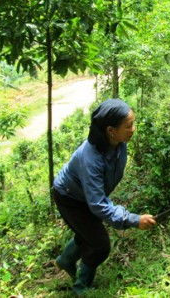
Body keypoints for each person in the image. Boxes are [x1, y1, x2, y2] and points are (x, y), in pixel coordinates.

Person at [52, 98, 157, 296]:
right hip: (70, 198)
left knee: (88, 233)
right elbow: (98, 204)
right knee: (100, 244)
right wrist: (133, 220)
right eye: (129, 126)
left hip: (86, 196)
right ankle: (81, 287)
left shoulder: (118, 143)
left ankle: (65, 260)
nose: (133, 129)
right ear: (110, 130)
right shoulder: (90, 158)